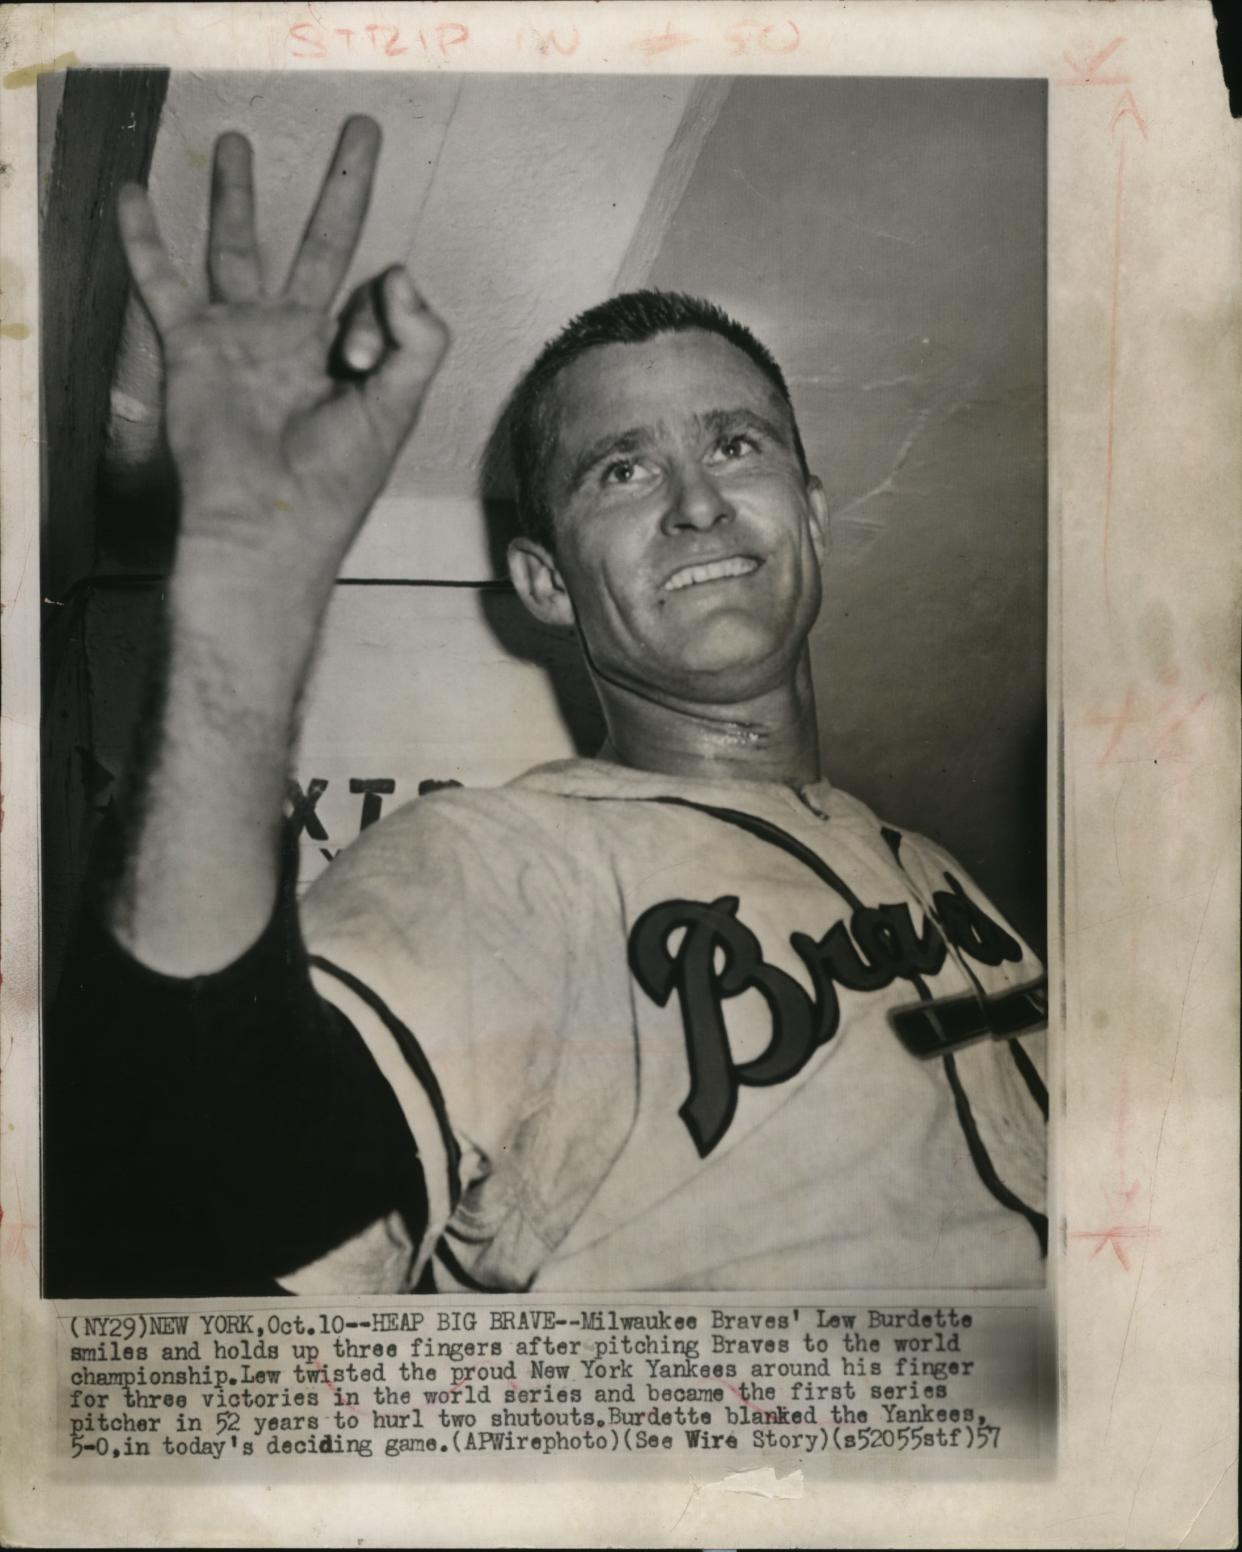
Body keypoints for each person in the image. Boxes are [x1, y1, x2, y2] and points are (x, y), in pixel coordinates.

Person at [46, 117, 1048, 1299]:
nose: (695, 504)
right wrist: (246, 591)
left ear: (814, 513)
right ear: (545, 582)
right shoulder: (498, 862)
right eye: (620, 469)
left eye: (735, 444)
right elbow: (196, 1218)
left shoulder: (948, 877)